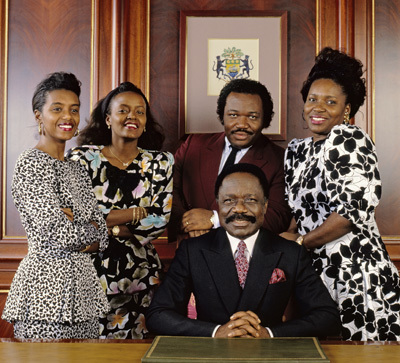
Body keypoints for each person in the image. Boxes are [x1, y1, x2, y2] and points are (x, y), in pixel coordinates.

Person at [283, 47, 400, 341]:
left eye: (330, 102)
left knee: (356, 354)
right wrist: (286, 249)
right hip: (313, 269)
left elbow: (350, 215)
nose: (317, 108)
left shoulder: (348, 138)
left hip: (353, 269)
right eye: (312, 99)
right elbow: (299, 213)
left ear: (346, 109)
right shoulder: (297, 151)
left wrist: (299, 243)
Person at [146, 163, 340, 338]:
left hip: (268, 356)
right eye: (229, 201)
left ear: (264, 206)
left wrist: (269, 334)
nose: (239, 209)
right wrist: (216, 332)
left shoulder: (290, 252)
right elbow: (158, 315)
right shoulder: (192, 250)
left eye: (250, 200)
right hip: (212, 355)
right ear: (218, 205)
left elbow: (327, 317)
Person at [1, 72, 109, 339]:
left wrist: (83, 223)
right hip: (44, 294)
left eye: (74, 110)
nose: (68, 117)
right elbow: (61, 234)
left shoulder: (77, 169)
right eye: (57, 109)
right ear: (39, 116)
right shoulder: (31, 164)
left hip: (85, 295)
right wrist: (88, 226)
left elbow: (103, 235)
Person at [67, 82, 174, 339]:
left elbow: (159, 218)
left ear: (146, 122)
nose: (132, 117)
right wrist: (133, 215)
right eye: (123, 110)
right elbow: (73, 217)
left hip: (138, 275)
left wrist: (102, 222)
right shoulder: (80, 159)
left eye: (140, 112)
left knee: (135, 350)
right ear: (107, 118)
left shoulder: (160, 162)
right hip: (87, 273)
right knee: (86, 353)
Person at [169, 78, 291, 241]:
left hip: (243, 255)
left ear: (265, 119)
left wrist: (214, 220)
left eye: (252, 117)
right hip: (188, 245)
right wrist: (188, 223)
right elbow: (169, 189)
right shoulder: (193, 145)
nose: (241, 124)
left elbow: (277, 217)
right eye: (233, 115)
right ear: (222, 115)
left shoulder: (279, 159)